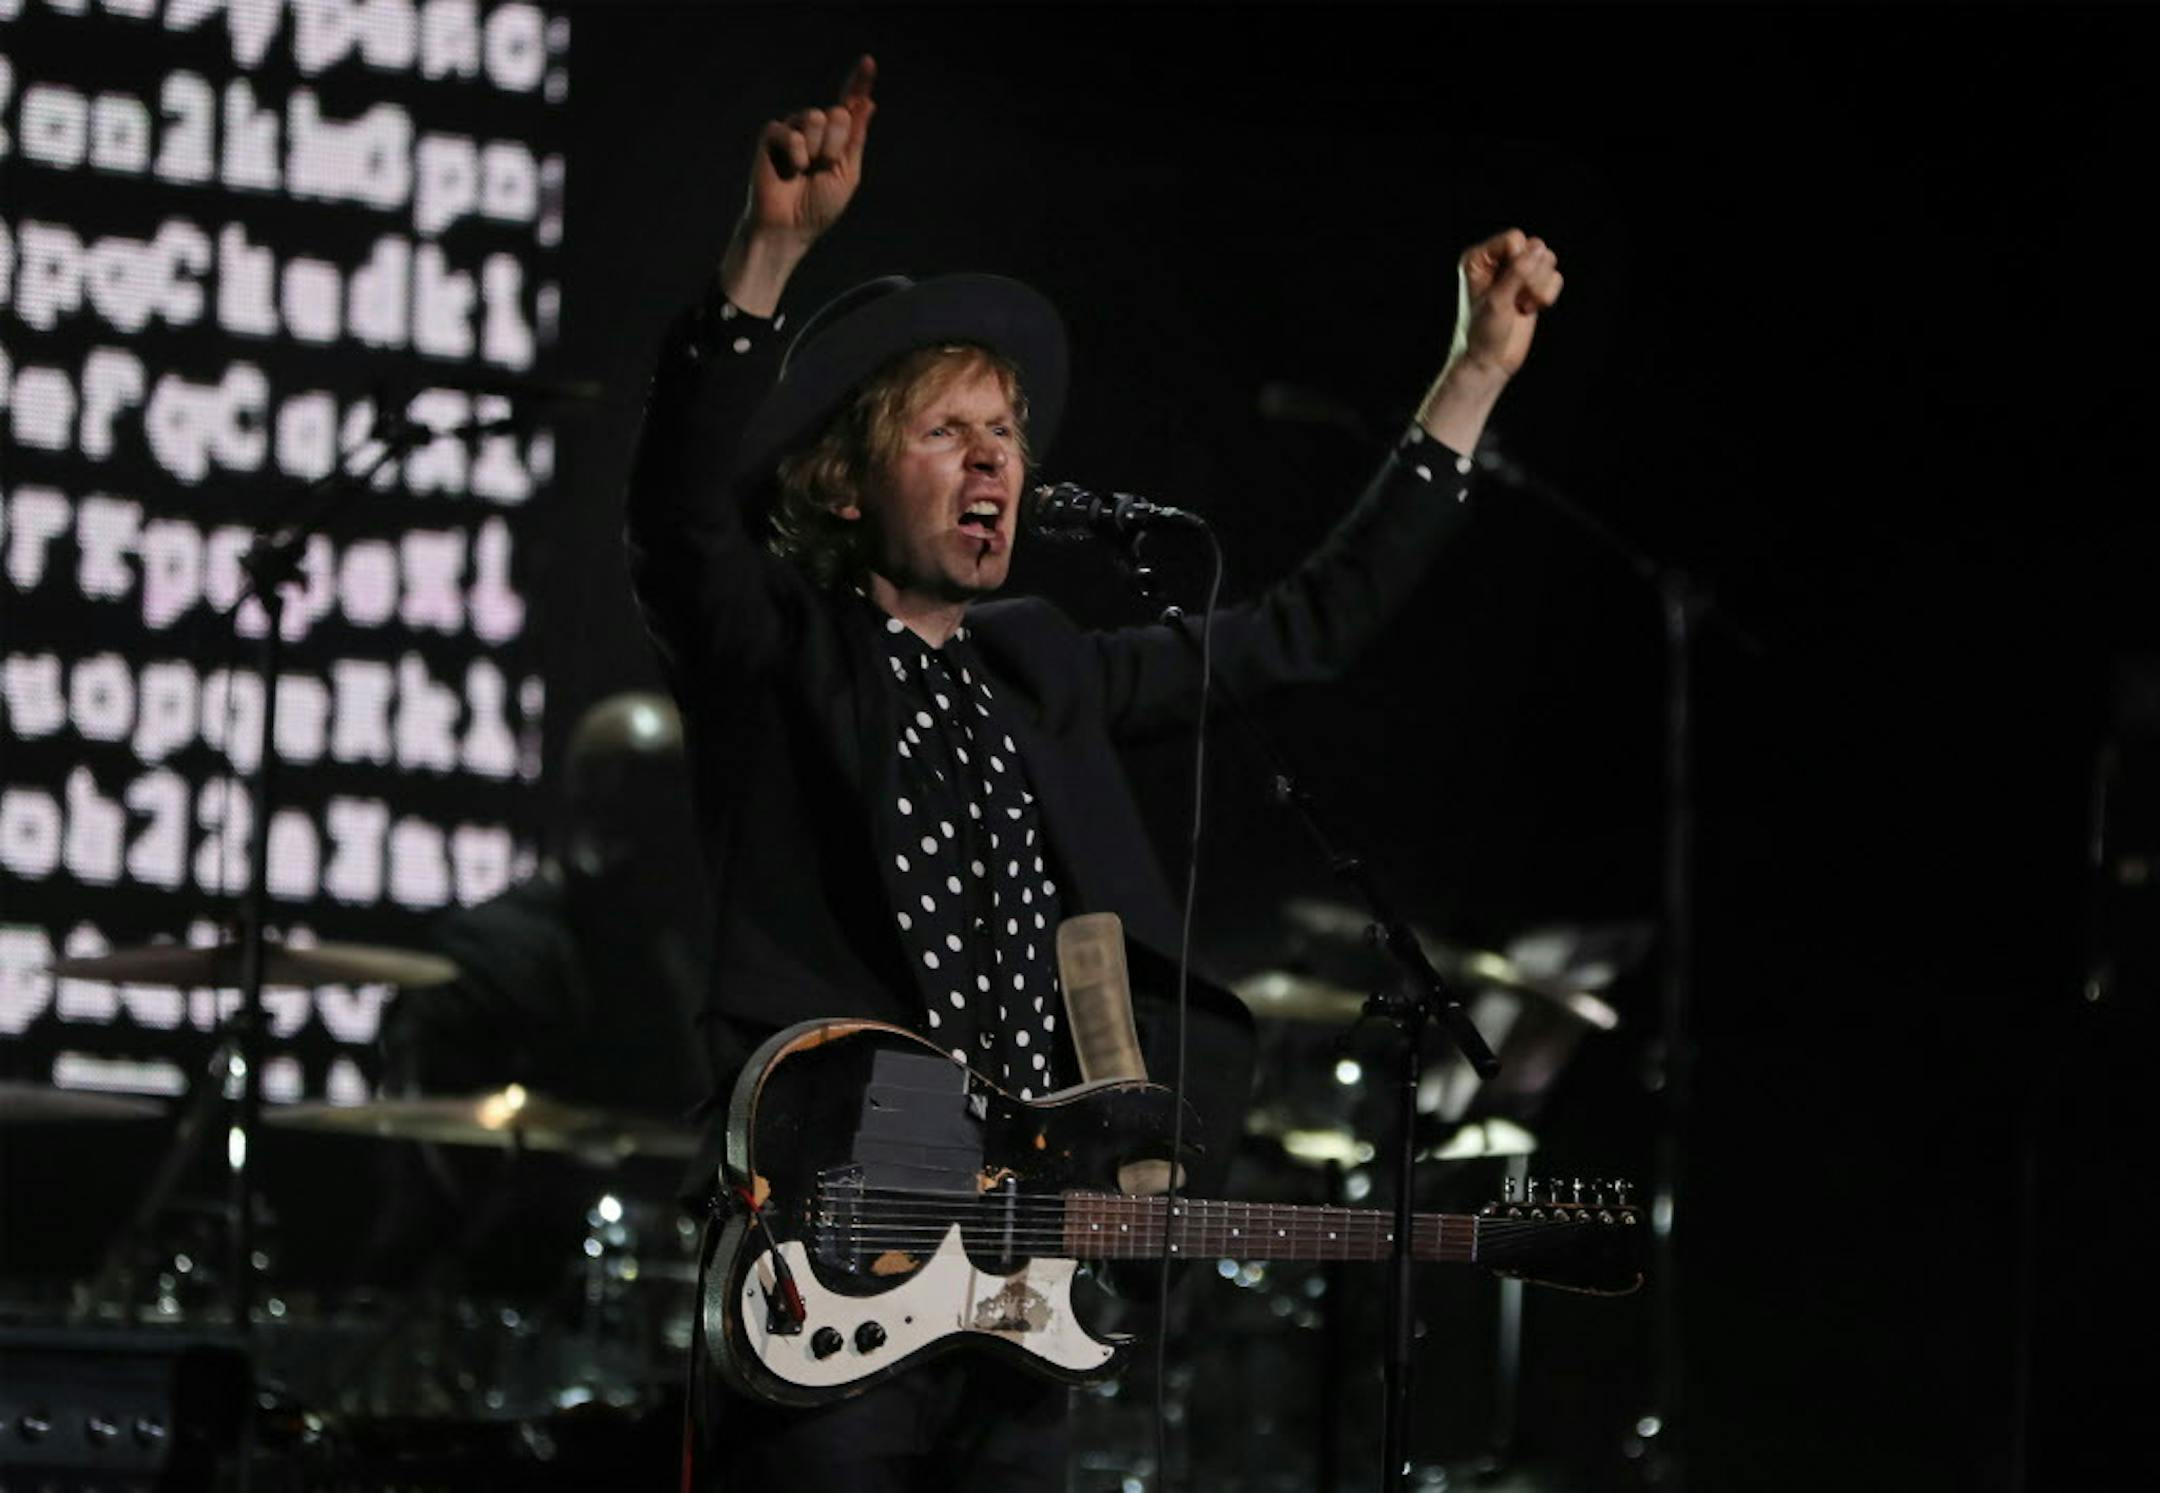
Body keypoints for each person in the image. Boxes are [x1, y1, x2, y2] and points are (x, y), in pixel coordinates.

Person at [626, 54, 1561, 1493]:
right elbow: (679, 514)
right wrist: (769, 254)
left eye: (1005, 432)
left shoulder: (1042, 662)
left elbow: (1299, 632)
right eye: (948, 430)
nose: (995, 456)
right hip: (833, 1256)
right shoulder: (778, 648)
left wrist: (1471, 378)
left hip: (1018, 1285)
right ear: (845, 479)